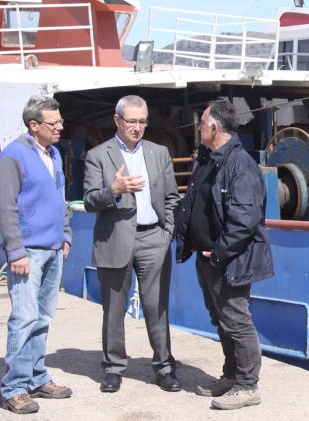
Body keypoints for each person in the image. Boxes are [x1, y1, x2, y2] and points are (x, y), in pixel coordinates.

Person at [174, 100, 274, 410]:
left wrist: (217, 254)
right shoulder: (209, 158)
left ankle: (247, 385)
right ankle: (231, 376)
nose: (199, 129)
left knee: (236, 321)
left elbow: (244, 221)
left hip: (229, 260)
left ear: (215, 128)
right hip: (209, 259)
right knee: (221, 320)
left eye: (202, 124)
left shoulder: (240, 165)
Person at [83, 95, 181, 393]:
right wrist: (112, 190)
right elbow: (89, 201)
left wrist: (167, 233)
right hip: (115, 239)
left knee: (157, 307)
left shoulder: (159, 152)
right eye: (131, 121)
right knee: (113, 309)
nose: (137, 128)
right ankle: (113, 369)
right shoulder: (98, 155)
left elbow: (172, 198)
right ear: (117, 121)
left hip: (153, 238)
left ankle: (164, 367)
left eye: (142, 122)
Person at [0, 95, 73, 414]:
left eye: (60, 121)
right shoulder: (13, 156)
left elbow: (60, 197)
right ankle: (14, 387)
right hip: (27, 252)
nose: (60, 127)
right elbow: (5, 206)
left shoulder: (53, 154)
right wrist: (16, 251)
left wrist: (65, 233)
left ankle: (36, 377)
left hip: (53, 249)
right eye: (53, 123)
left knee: (42, 318)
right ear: (34, 125)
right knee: (24, 318)